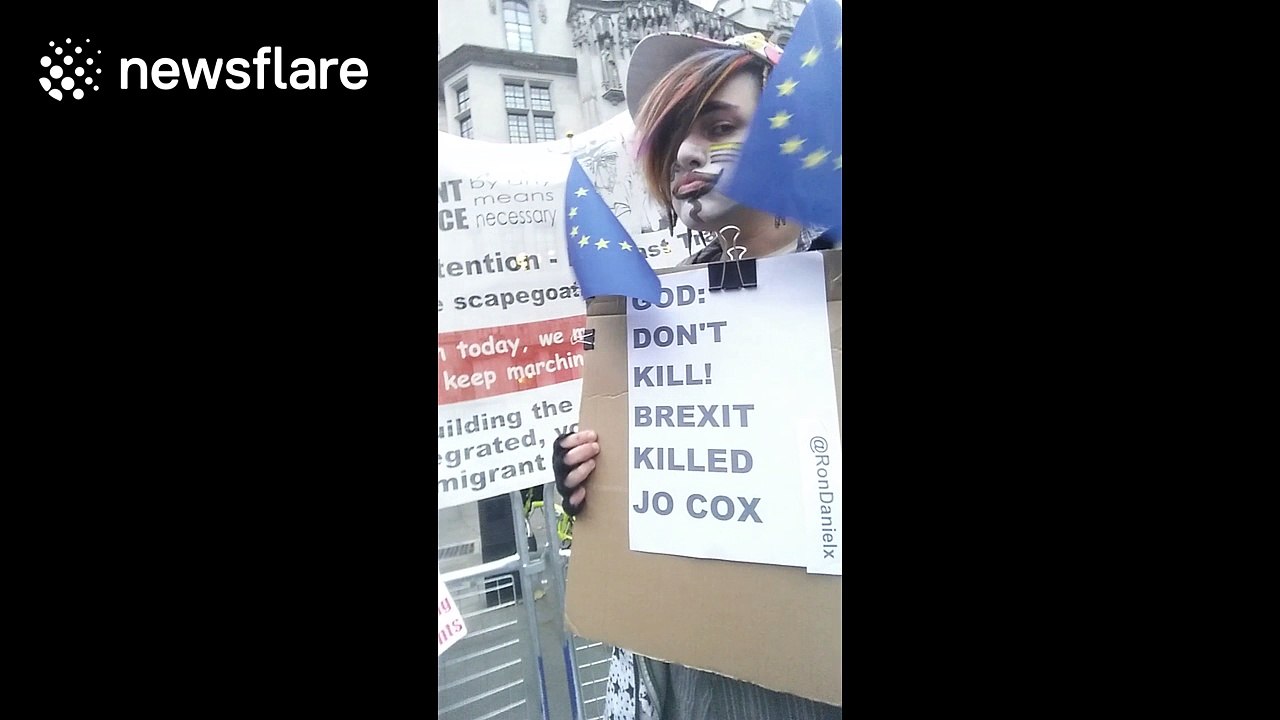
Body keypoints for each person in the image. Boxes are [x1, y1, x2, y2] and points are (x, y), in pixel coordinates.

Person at [554, 30, 842, 720]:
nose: (686, 151)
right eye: (671, 136)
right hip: (673, 673)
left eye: (718, 126)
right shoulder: (653, 307)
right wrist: (586, 477)